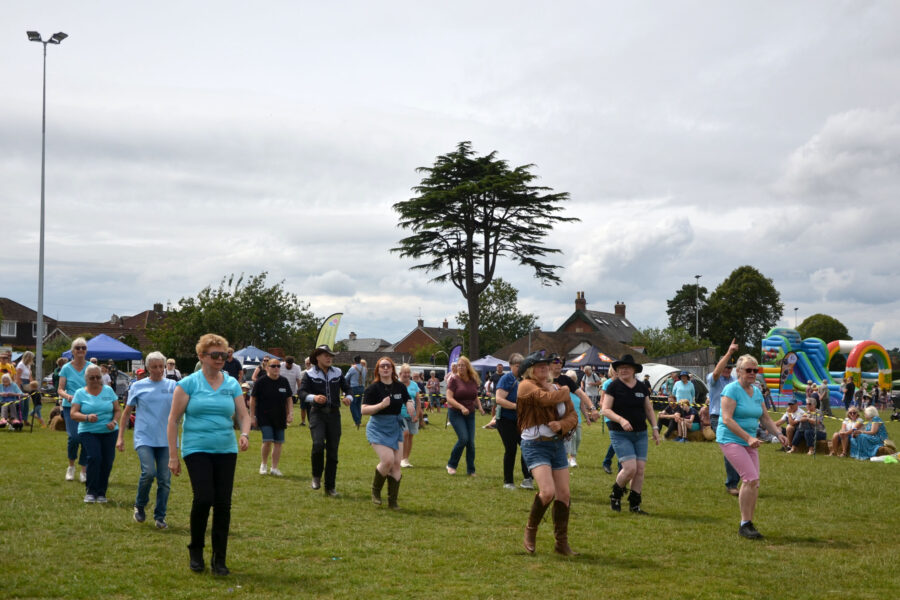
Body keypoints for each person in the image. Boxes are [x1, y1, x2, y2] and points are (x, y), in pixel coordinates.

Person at [167, 334, 250, 576]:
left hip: (226, 448)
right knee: (204, 498)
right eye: (215, 355)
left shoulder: (232, 384)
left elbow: (244, 415)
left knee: (223, 504)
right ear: (202, 356)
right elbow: (173, 420)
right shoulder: (189, 384)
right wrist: (173, 455)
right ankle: (196, 549)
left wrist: (245, 434)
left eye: (223, 355)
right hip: (196, 448)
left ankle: (219, 558)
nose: (220, 359)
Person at [717, 354, 788, 540]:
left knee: (754, 482)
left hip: (750, 440)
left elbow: (764, 418)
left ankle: (748, 523)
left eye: (755, 370)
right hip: (731, 439)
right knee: (749, 479)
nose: (752, 373)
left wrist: (779, 434)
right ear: (738, 371)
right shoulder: (731, 390)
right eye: (748, 370)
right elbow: (727, 419)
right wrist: (748, 438)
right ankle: (744, 524)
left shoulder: (756, 391)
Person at [516, 351, 578, 555]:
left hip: (556, 444)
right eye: (539, 366)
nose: (544, 368)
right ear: (530, 370)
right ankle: (530, 530)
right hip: (534, 445)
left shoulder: (558, 387)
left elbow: (573, 416)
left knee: (564, 495)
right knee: (547, 492)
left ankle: (561, 543)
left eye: (546, 366)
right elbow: (545, 400)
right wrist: (567, 390)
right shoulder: (526, 385)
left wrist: (560, 424)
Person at [117, 351, 176, 527]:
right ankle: (140, 505)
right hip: (145, 437)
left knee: (165, 479)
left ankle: (160, 516)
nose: (158, 370)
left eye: (161, 366)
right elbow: (126, 413)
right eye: (154, 367)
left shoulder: (173, 386)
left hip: (166, 439)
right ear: (148, 368)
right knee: (149, 472)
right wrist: (120, 437)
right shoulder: (138, 386)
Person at [601, 354, 660, 515]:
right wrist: (621, 420)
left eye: (626, 367)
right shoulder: (613, 386)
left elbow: (648, 409)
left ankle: (635, 505)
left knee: (640, 470)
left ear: (634, 370)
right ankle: (616, 494)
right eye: (619, 368)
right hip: (620, 434)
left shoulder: (641, 387)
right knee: (629, 468)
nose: (622, 370)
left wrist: (654, 428)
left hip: (640, 433)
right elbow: (605, 409)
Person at [299, 345, 353, 496]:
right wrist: (313, 397)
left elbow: (348, 389)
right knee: (317, 444)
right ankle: (316, 476)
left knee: (333, 451)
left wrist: (348, 398)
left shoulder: (338, 372)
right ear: (317, 357)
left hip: (334, 415)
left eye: (331, 356)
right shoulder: (309, 374)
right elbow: (301, 392)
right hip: (317, 413)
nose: (329, 358)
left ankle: (330, 487)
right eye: (326, 355)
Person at [364, 357, 413, 508]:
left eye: (388, 366)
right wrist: (380, 405)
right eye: (382, 366)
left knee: (397, 463)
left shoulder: (399, 387)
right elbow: (363, 409)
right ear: (378, 370)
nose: (385, 368)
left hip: (395, 426)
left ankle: (393, 501)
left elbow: (408, 398)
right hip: (378, 427)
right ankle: (376, 490)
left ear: (392, 369)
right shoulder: (373, 388)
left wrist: (410, 405)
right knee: (387, 460)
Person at [71, 364, 122, 503]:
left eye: (98, 377)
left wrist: (114, 421)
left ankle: (101, 493)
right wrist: (86, 417)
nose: (95, 380)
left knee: (107, 461)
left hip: (109, 431)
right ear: (86, 378)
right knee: (94, 457)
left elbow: (117, 409)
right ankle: (91, 491)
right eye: (92, 377)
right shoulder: (80, 393)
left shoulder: (108, 391)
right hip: (88, 431)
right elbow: (73, 413)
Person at [706, 339, 740, 495]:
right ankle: (732, 484)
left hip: (734, 418)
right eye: (725, 366)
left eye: (730, 367)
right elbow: (716, 373)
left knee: (740, 449)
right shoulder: (713, 379)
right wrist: (729, 352)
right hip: (718, 417)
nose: (727, 369)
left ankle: (743, 480)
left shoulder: (734, 381)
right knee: (731, 449)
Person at [494, 353, 533, 489]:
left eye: (522, 366)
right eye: (517, 366)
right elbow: (499, 399)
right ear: (510, 366)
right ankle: (508, 482)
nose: (520, 368)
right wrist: (517, 407)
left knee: (526, 448)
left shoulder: (525, 380)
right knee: (511, 450)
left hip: (521, 420)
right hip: (505, 420)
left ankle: (528, 478)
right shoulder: (507, 379)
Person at [250, 357, 293, 476]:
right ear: (267, 367)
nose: (276, 368)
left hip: (280, 416)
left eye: (278, 366)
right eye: (273, 366)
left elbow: (289, 399)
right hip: (264, 416)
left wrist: (290, 413)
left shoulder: (284, 381)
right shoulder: (261, 382)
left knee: (278, 442)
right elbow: (253, 399)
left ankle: (274, 468)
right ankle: (263, 464)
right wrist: (252, 416)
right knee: (268, 440)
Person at [445, 356, 485, 476]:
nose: (460, 367)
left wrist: (481, 407)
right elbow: (449, 398)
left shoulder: (472, 379)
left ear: (467, 367)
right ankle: (451, 465)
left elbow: (475, 396)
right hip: (456, 413)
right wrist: (461, 407)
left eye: (463, 365)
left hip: (470, 413)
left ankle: (471, 470)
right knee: (463, 439)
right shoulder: (453, 380)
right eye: (459, 365)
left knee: (471, 443)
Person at [58, 338, 89, 483]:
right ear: (72, 351)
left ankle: (84, 470)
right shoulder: (66, 368)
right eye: (78, 348)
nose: (81, 350)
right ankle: (71, 466)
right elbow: (60, 389)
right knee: (74, 437)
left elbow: (97, 385)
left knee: (86, 438)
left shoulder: (90, 367)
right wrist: (68, 396)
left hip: (87, 406)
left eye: (83, 348)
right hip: (70, 406)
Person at [563, 369, 593, 466]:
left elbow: (582, 406)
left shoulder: (578, 391)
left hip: (578, 419)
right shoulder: (563, 391)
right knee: (572, 437)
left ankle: (570, 457)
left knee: (578, 438)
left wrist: (587, 418)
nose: (571, 381)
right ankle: (572, 458)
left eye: (573, 379)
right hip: (567, 420)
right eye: (569, 379)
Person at [399, 363, 421, 468]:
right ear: (400, 374)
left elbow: (418, 401)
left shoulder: (414, 385)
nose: (407, 375)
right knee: (405, 434)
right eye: (405, 373)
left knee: (410, 436)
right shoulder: (397, 384)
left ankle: (406, 458)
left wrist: (417, 415)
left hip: (412, 415)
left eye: (408, 373)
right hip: (400, 414)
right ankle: (402, 458)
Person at [346, 355, 367, 430]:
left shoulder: (352, 368)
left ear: (354, 361)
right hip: (362, 388)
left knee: (353, 405)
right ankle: (359, 420)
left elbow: (346, 378)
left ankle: (357, 421)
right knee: (358, 404)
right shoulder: (364, 369)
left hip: (354, 388)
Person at [15, 351, 35, 420]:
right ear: (28, 357)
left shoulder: (28, 365)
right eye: (31, 358)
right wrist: (19, 388)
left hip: (27, 383)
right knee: (21, 403)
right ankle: (19, 419)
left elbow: (30, 376)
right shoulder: (20, 365)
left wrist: (32, 384)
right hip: (21, 383)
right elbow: (17, 377)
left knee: (27, 403)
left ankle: (25, 419)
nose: (32, 359)